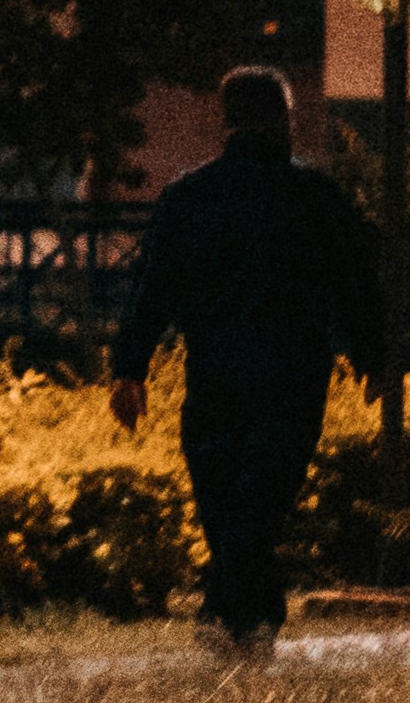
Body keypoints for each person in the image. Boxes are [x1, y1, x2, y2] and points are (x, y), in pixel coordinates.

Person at [108, 65, 388, 652]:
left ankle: (234, 614)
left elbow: (152, 285)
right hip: (295, 367)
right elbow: (353, 284)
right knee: (266, 489)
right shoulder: (315, 196)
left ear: (226, 118)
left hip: (215, 365)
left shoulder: (189, 196)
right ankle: (251, 616)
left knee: (221, 487)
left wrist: (130, 366)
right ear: (283, 117)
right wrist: (372, 356)